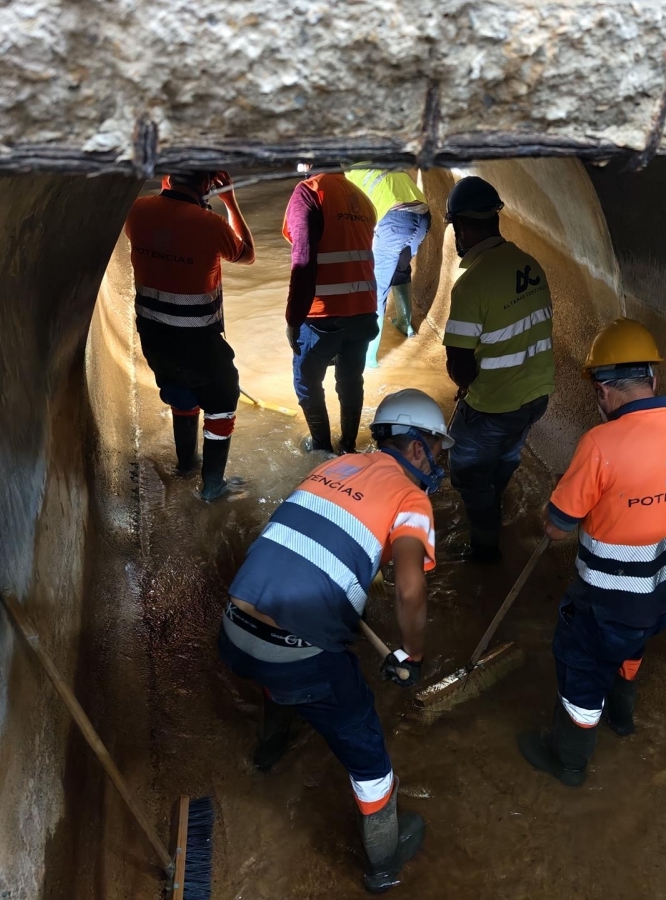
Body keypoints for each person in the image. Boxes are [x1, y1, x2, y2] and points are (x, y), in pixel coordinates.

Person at [218, 389, 452, 892]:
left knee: (282, 669)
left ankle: (269, 748)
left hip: (235, 628)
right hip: (294, 656)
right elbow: (410, 589)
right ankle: (384, 863)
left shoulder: (341, 465)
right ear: (416, 448)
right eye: (437, 448)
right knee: (366, 746)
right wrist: (413, 653)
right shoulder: (412, 499)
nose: (440, 461)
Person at [518, 319, 666, 786]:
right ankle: (623, 719)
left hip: (607, 601)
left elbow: (556, 526)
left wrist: (558, 507)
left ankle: (568, 760)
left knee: (582, 666)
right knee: (634, 640)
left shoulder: (600, 445)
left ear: (602, 391)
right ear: (653, 379)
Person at [441, 176, 555, 562]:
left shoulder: (472, 284)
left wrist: (467, 384)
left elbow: (459, 366)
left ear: (462, 226)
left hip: (494, 404)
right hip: (537, 396)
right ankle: (499, 497)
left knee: (468, 471)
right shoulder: (529, 264)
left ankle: (485, 550)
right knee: (507, 454)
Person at [124, 170, 255, 500]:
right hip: (197, 337)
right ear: (208, 183)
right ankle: (212, 487)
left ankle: (186, 465)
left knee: (180, 390)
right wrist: (230, 200)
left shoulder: (136, 209)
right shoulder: (209, 225)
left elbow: (162, 230)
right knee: (223, 400)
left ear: (170, 177)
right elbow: (247, 254)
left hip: (153, 332)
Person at [283, 168, 379, 454]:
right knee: (351, 380)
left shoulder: (309, 191)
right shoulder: (362, 198)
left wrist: (293, 318)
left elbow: (303, 259)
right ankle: (348, 446)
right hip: (363, 310)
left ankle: (322, 449)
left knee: (306, 379)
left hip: (322, 315)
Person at [344, 165, 432, 368]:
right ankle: (405, 323)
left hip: (395, 219)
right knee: (401, 267)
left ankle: (367, 360)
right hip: (423, 216)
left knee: (375, 289)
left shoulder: (349, 177)